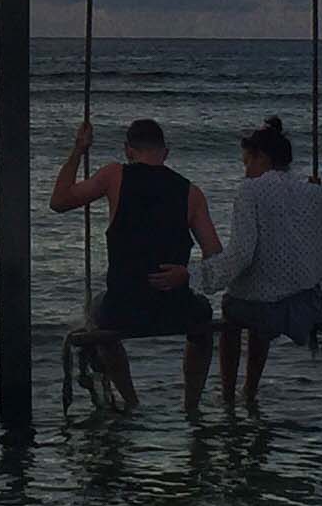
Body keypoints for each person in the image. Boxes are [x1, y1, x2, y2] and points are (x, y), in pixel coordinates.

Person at [49, 115, 222, 414]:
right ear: (165, 152)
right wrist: (187, 275)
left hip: (123, 307)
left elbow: (59, 201)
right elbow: (216, 257)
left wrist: (79, 149)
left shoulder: (114, 176)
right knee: (202, 323)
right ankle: (191, 405)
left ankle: (131, 400)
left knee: (95, 315)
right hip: (175, 307)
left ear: (128, 150)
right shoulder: (191, 192)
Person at [197, 114, 322, 408]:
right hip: (305, 307)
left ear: (260, 158)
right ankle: (250, 389)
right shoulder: (315, 192)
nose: (246, 171)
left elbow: (242, 254)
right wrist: (318, 198)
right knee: (257, 295)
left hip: (266, 311)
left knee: (234, 307)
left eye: (246, 163)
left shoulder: (250, 190)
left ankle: (228, 395)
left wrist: (200, 277)